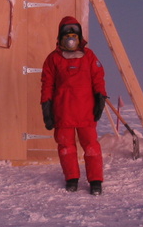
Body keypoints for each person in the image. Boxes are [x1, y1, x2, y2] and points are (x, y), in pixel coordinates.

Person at [40, 16, 107, 195]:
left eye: (74, 34)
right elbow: (47, 84)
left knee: (91, 146)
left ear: (79, 36)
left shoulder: (89, 56)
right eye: (67, 34)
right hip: (63, 112)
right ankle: (71, 178)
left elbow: (98, 79)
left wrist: (100, 97)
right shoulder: (53, 59)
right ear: (60, 36)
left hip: (86, 111)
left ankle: (95, 181)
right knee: (66, 147)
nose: (70, 38)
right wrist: (46, 106)